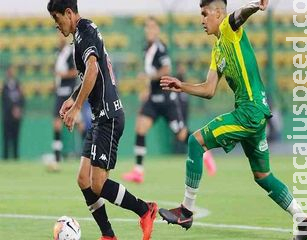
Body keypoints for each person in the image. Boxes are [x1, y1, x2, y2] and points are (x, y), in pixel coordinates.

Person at [158, 1, 307, 239]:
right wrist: (182, 87)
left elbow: (238, 16)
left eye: (204, 14)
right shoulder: (218, 49)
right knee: (263, 176)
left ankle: (186, 210)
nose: (201, 20)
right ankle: (303, 220)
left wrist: (255, 5)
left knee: (195, 141)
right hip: (255, 114)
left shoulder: (229, 30)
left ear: (219, 13)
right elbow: (209, 89)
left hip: (249, 111)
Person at [47, 1, 157, 240]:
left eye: (57, 19)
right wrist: (73, 98)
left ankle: (145, 210)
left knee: (98, 184)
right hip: (101, 117)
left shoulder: (84, 31)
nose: (57, 25)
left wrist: (76, 109)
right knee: (83, 179)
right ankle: (108, 234)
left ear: (68, 13)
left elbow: (94, 70)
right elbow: (90, 75)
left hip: (108, 117)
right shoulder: (81, 34)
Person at [122, 17, 216, 184]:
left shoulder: (161, 48)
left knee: (181, 134)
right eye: (147, 28)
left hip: (166, 98)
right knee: (140, 127)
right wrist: (146, 89)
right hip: (153, 98)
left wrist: (149, 77)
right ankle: (138, 171)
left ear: (157, 30)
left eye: (152, 28)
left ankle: (206, 153)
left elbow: (166, 70)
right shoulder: (146, 49)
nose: (149, 31)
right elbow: (149, 73)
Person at [50, 32, 85, 170]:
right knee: (56, 124)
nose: (59, 37)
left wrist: (62, 75)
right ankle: (57, 157)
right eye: (57, 35)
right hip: (59, 93)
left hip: (69, 92)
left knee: (79, 123)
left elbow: (75, 71)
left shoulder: (70, 53)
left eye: (61, 35)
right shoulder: (58, 53)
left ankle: (87, 153)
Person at [1, 65, 25, 160]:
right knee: (6, 136)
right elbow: (5, 100)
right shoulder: (4, 85)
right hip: (7, 115)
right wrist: (13, 109)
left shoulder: (18, 84)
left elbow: (22, 98)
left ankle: (15, 156)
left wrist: (19, 109)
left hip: (17, 115)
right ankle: (6, 157)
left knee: (16, 136)